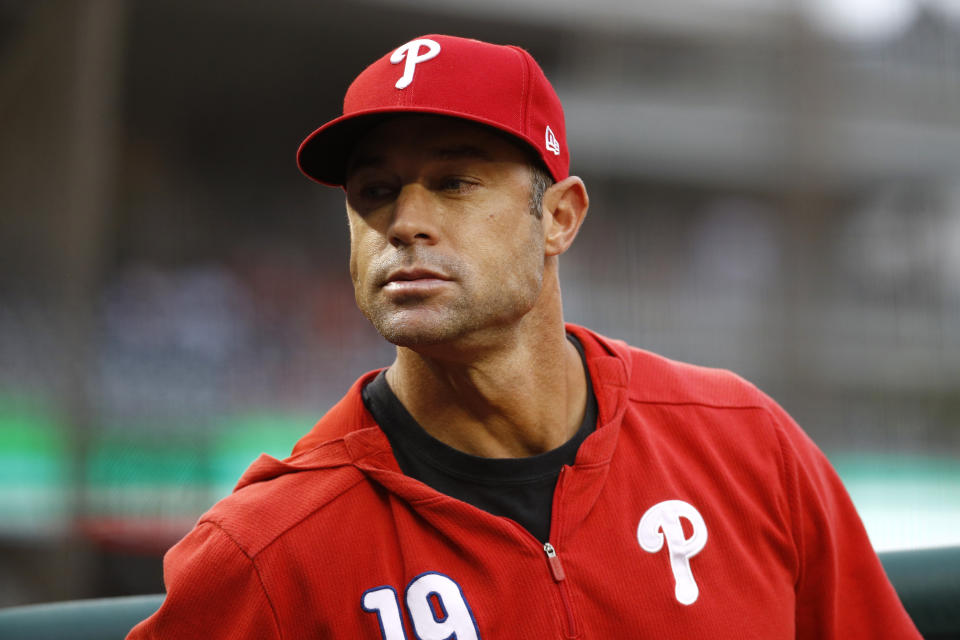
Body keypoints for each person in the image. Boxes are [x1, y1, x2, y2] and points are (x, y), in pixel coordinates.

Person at [127, 34, 920, 639]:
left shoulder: (743, 444)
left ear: (561, 217)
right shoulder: (268, 552)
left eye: (453, 183)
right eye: (375, 192)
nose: (405, 223)